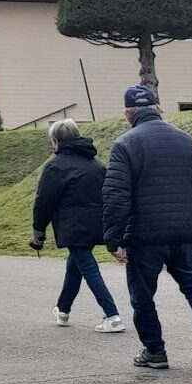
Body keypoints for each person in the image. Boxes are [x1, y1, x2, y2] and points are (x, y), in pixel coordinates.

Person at [101, 84, 192, 372]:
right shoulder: (187, 141)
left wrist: (113, 239)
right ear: (158, 109)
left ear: (127, 114)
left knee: (142, 295)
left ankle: (155, 351)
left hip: (144, 235)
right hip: (185, 231)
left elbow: (116, 196)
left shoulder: (124, 144)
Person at [29, 118, 123, 332]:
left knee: (88, 267)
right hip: (98, 223)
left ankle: (113, 315)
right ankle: (62, 309)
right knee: (76, 264)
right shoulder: (96, 165)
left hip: (72, 226)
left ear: (55, 141)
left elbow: (44, 202)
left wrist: (38, 231)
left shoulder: (55, 167)